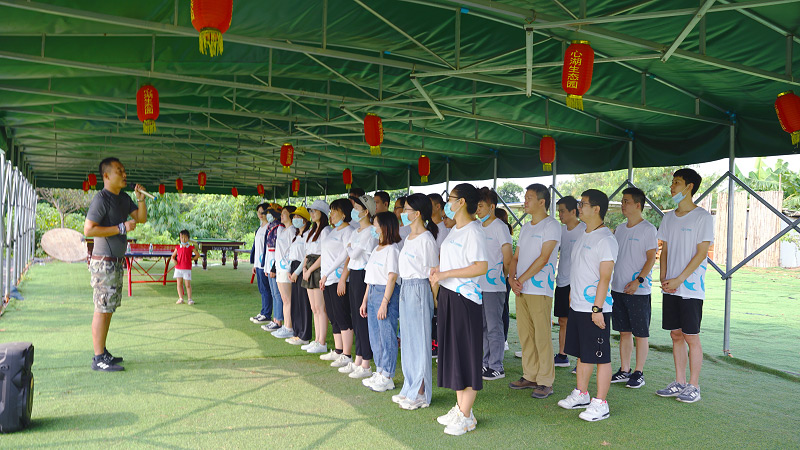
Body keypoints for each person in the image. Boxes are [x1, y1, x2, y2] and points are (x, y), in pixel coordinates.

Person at [431, 183, 488, 436]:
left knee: (466, 355)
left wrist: (445, 273)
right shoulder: (455, 229)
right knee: (453, 354)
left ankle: (465, 415)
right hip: (448, 295)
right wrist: (439, 274)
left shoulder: (474, 231)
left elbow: (480, 267)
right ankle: (462, 409)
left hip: (465, 299)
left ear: (462, 201)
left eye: (450, 199)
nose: (447, 204)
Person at [557, 189, 618, 422]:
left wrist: (597, 308)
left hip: (596, 309)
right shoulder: (584, 233)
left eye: (583, 204)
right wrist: (573, 294)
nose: (579, 207)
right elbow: (579, 269)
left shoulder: (606, 239)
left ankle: (601, 403)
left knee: (601, 357)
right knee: (583, 354)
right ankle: (581, 393)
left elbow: (605, 277)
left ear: (596, 209)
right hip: (579, 306)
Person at [84, 157, 148, 372]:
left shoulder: (123, 198)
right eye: (119, 171)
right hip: (103, 262)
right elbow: (89, 230)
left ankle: (103, 351)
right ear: (106, 176)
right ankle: (98, 358)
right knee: (101, 309)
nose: (124, 174)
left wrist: (140, 199)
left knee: (108, 308)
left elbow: (141, 219)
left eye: (124, 170)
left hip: (116, 262)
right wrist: (121, 228)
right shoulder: (101, 199)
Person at [655, 168, 713, 403]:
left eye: (676, 182)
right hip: (671, 286)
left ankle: (694, 386)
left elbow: (701, 253)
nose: (672, 187)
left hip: (691, 288)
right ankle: (679, 382)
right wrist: (664, 278)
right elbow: (665, 250)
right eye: (672, 182)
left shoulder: (703, 217)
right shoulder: (668, 217)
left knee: (691, 336)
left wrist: (680, 279)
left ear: (689, 187)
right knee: (675, 334)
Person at [508, 184, 560, 399]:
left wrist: (520, 279)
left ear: (542, 201)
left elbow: (544, 258)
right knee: (525, 333)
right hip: (521, 288)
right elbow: (516, 256)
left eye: (529, 197)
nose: (525, 201)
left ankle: (546, 381)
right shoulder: (527, 227)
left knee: (542, 335)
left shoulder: (552, 225)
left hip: (540, 289)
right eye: (525, 197)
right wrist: (512, 279)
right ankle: (530, 375)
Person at [395, 193, 439, 410]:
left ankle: (421, 392)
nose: (403, 213)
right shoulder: (409, 237)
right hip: (406, 289)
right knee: (408, 340)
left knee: (420, 342)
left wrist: (435, 299)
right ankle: (410, 386)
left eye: (406, 210)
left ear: (418, 213)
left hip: (420, 289)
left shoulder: (427, 239)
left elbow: (433, 273)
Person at [610, 187, 657, 389]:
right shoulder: (619, 229)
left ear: (638, 205)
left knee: (641, 333)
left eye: (626, 201)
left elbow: (651, 258)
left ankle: (639, 372)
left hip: (638, 291)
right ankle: (624, 370)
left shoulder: (648, 229)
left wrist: (638, 281)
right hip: (617, 289)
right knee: (623, 332)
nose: (623, 204)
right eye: (622, 201)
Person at [360, 212, 402, 393]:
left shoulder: (392, 249)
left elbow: (392, 277)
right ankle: (379, 371)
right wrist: (364, 301)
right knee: (375, 336)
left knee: (387, 336)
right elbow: (369, 279)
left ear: (385, 227)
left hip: (386, 293)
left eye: (375, 224)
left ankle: (388, 376)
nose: (373, 228)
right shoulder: (376, 249)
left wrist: (385, 302)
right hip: (373, 292)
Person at [340, 195, 378, 379]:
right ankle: (358, 358)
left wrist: (348, 247)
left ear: (366, 211)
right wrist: (349, 247)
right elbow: (351, 252)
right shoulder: (356, 232)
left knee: (363, 318)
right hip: (354, 274)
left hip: (364, 275)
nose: (354, 210)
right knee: (356, 317)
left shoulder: (371, 231)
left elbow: (353, 253)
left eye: (357, 207)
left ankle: (366, 363)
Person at [476, 188, 512, 381]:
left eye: (481, 206)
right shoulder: (477, 226)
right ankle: (485, 363)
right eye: (477, 206)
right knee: (482, 326)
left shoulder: (500, 226)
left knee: (494, 327)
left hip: (495, 286)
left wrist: (502, 278)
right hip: (478, 285)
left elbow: (508, 257)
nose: (478, 209)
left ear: (492, 207)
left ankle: (496, 365)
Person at [319, 198, 356, 368]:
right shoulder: (333, 231)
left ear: (344, 213)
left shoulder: (348, 231)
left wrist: (340, 278)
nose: (331, 214)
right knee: (333, 315)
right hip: (327, 279)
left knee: (342, 316)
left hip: (338, 278)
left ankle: (347, 354)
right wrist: (324, 275)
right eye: (331, 211)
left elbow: (346, 256)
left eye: (334, 211)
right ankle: (338, 350)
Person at [553, 196, 586, 368]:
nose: (560, 215)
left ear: (574, 211)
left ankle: (581, 358)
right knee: (563, 320)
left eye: (563, 211)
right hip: (562, 282)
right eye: (558, 211)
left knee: (579, 321)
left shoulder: (585, 229)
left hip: (579, 284)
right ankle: (562, 355)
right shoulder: (559, 231)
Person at [300, 200, 332, 354]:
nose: (311, 214)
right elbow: (307, 253)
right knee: (314, 308)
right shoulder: (312, 231)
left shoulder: (326, 230)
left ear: (323, 213)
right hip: (309, 269)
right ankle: (317, 339)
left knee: (320, 308)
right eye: (311, 211)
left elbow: (323, 255)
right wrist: (305, 268)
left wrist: (310, 269)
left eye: (314, 211)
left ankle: (322, 341)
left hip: (317, 269)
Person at [286, 207, 312, 346]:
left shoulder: (308, 234)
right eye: (294, 217)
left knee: (304, 302)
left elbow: (306, 256)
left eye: (298, 217)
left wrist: (297, 272)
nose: (295, 219)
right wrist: (290, 269)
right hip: (294, 267)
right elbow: (292, 254)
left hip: (302, 268)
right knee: (295, 301)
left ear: (305, 220)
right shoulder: (296, 236)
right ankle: (296, 332)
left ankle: (305, 334)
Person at [271, 205, 297, 339]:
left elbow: (292, 251)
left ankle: (289, 327)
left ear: (291, 216)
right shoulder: (283, 230)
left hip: (286, 268)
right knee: (284, 299)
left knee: (287, 299)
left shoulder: (292, 231)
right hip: (280, 268)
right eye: (281, 213)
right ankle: (286, 326)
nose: (281, 216)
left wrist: (289, 268)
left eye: (285, 213)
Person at [249, 203, 278, 326]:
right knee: (262, 289)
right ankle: (263, 311)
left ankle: (267, 314)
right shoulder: (260, 228)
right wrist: (254, 264)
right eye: (259, 212)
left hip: (266, 263)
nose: (260, 214)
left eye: (263, 212)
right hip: (258, 263)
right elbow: (256, 248)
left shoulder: (269, 227)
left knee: (267, 289)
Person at [262, 204, 285, 332]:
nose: (268, 215)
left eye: (271, 212)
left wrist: (273, 267)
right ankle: (275, 319)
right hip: (269, 262)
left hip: (275, 263)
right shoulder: (271, 227)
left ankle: (278, 320)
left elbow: (277, 250)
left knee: (277, 294)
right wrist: (267, 267)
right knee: (273, 292)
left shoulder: (279, 227)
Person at [494, 208, 514, 346]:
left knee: (503, 308)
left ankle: (504, 339)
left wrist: (505, 275)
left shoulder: (503, 230)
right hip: (495, 277)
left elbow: (508, 259)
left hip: (503, 276)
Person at [171, 229, 200, 305]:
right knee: (179, 284)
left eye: (185, 237)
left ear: (188, 238)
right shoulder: (177, 247)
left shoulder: (191, 247)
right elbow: (172, 256)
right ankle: (181, 298)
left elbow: (198, 255)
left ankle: (189, 299)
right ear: (180, 238)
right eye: (181, 237)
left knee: (187, 284)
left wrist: (192, 259)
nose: (183, 239)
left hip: (187, 268)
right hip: (178, 268)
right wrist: (174, 261)